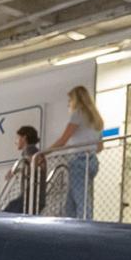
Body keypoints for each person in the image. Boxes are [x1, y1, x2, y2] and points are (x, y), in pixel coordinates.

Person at [42, 85, 105, 219]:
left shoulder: (78, 113)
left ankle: (85, 227)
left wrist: (43, 153)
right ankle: (71, 224)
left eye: (70, 100)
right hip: (92, 161)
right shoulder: (96, 119)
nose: (69, 103)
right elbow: (100, 147)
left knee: (81, 199)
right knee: (70, 202)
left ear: (76, 100)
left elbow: (63, 140)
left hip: (78, 161)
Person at [2, 126, 45, 214]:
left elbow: (35, 160)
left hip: (31, 197)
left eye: (17, 138)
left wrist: (14, 169)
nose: (15, 142)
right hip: (35, 197)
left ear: (24, 138)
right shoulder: (32, 150)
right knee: (11, 206)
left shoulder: (29, 149)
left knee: (7, 212)